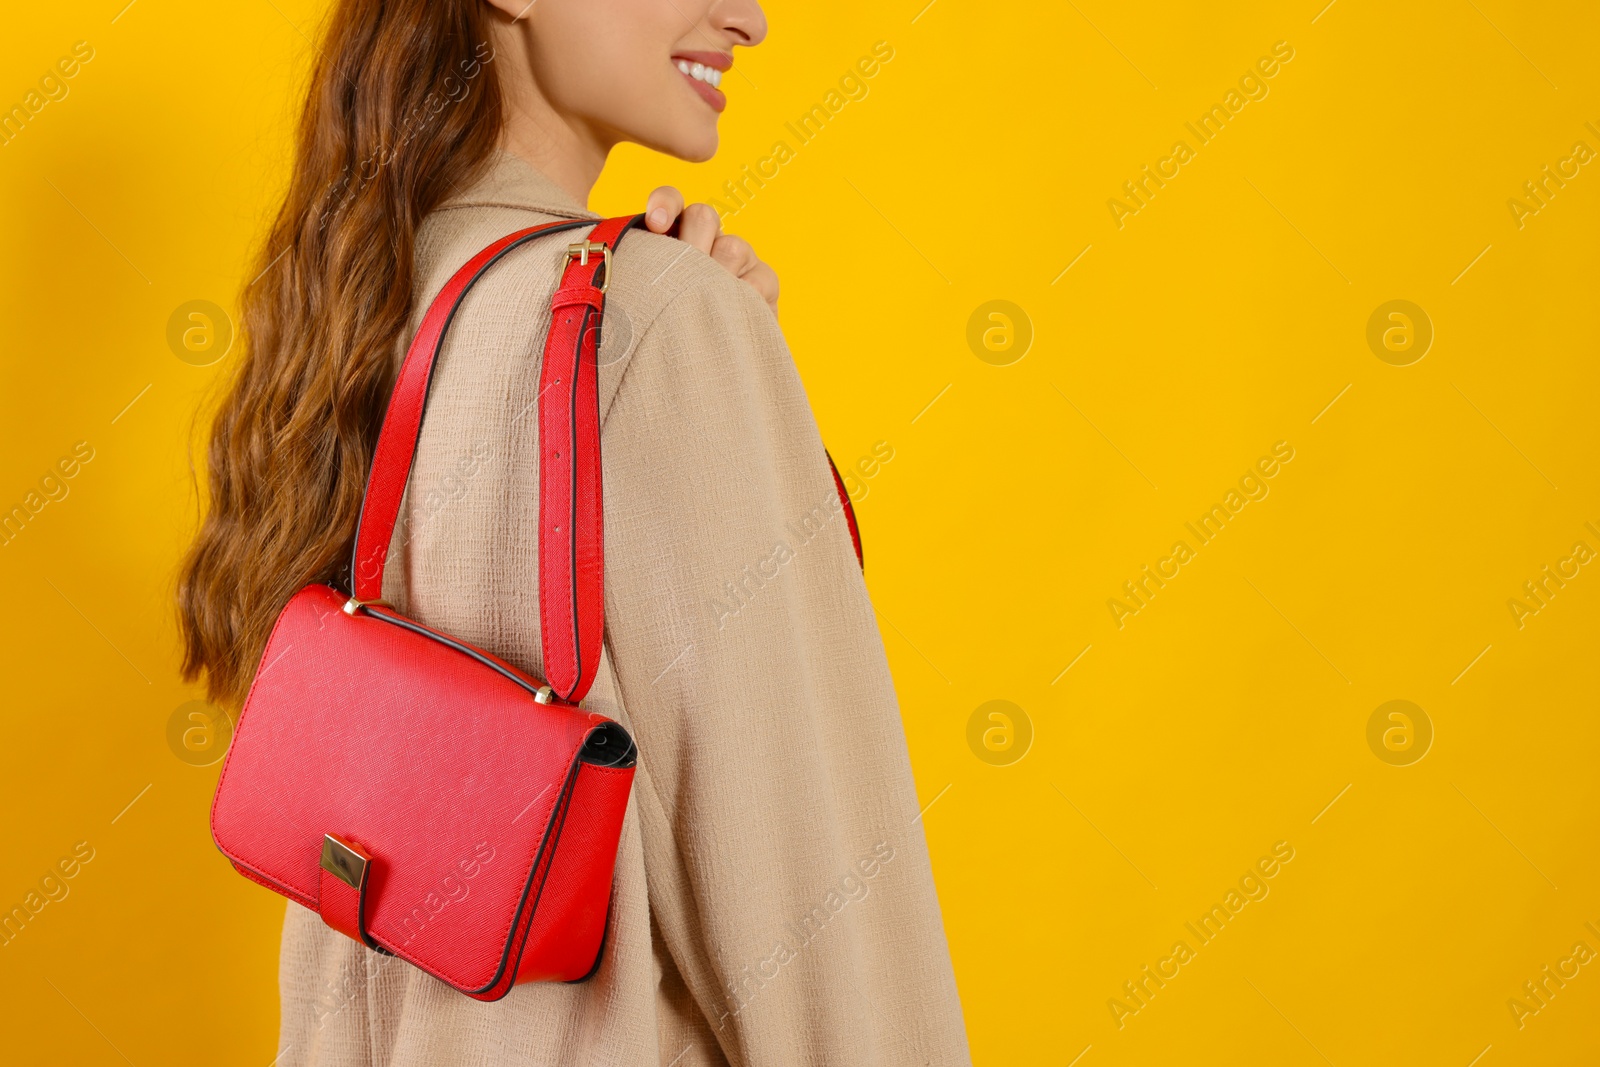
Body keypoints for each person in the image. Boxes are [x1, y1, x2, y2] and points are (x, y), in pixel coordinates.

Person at [177, 0, 971, 1063]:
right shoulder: (655, 322)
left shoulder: (353, 305)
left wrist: (691, 349)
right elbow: (820, 914)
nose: (749, 18)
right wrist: (693, 345)